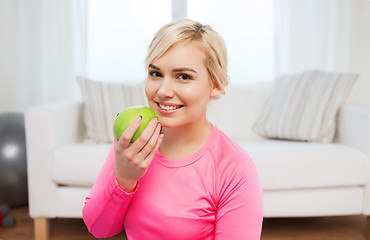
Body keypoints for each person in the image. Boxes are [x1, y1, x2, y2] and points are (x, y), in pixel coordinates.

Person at [83, 18, 263, 239]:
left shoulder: (235, 168)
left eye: (183, 76)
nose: (164, 91)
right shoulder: (135, 143)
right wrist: (124, 178)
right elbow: (99, 228)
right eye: (156, 74)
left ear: (215, 85)